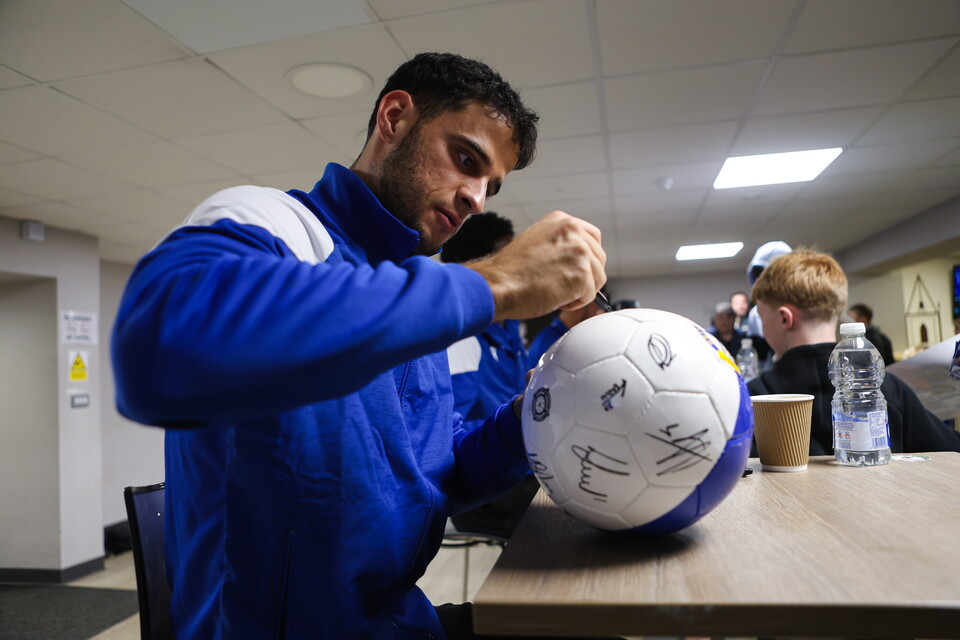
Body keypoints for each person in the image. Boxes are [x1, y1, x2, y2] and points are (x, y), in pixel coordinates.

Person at [111, 52, 607, 640]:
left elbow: (433, 472)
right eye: (466, 159)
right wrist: (496, 281)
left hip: (397, 622)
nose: (477, 197)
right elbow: (158, 351)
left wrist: (532, 419)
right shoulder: (274, 223)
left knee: (592, 624)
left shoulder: (414, 294)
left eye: (489, 185)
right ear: (394, 118)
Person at [442, 212, 605, 537]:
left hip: (521, 463)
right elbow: (447, 446)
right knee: (582, 518)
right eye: (510, 253)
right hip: (485, 490)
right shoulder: (459, 339)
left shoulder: (510, 329)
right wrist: (519, 424)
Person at [746, 249, 960, 456]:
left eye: (762, 316)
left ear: (785, 318)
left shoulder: (754, 397)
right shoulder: (888, 387)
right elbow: (950, 451)